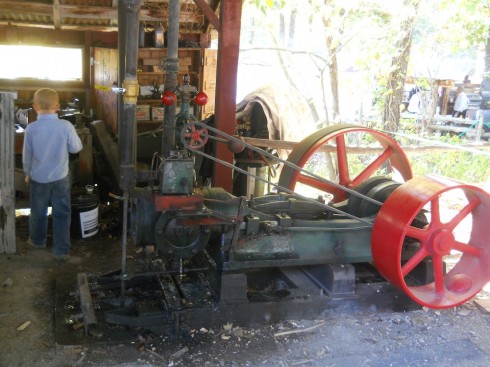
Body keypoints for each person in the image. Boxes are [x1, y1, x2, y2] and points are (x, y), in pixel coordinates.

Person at [22, 88, 83, 261]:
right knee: (62, 213)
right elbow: (76, 148)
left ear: (35, 107)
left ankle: (37, 241)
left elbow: (27, 156)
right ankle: (61, 250)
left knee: (38, 211)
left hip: (38, 178)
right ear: (58, 106)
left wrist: (28, 173)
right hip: (61, 177)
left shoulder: (31, 129)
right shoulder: (66, 126)